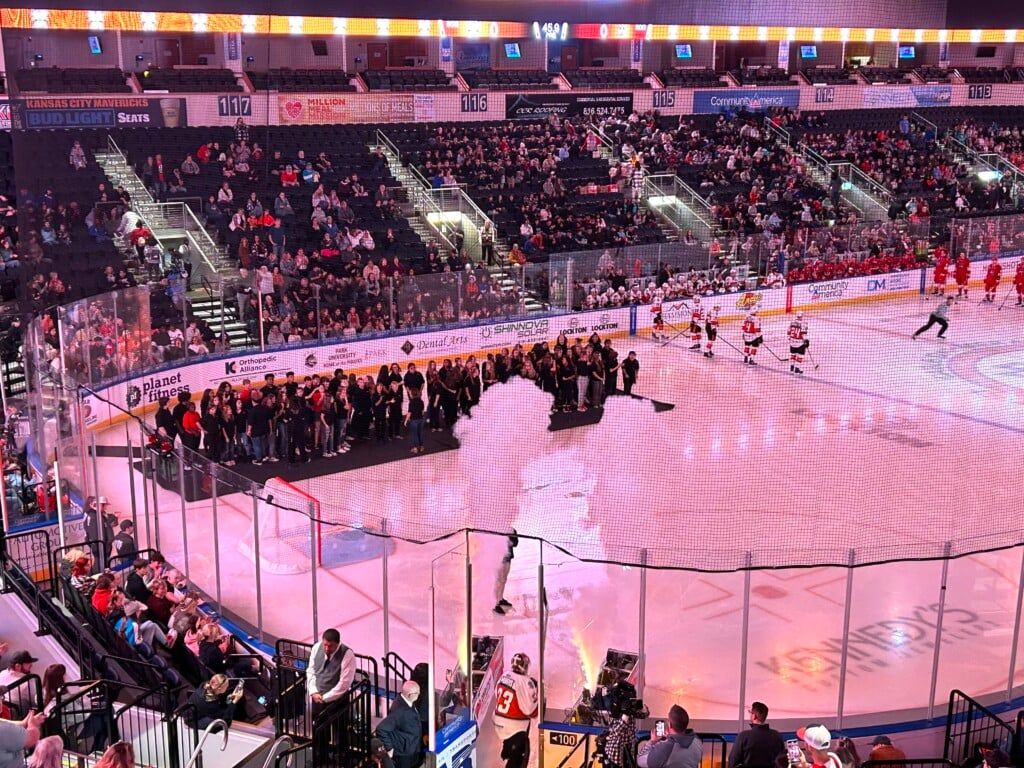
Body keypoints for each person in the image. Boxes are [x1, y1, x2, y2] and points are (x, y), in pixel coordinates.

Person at [493, 652, 538, 768]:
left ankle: (507, 748)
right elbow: (531, 711)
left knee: (512, 738)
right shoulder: (526, 682)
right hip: (514, 727)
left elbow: (497, 695)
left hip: (498, 723)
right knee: (522, 749)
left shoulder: (504, 675)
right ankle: (513, 755)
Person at [306, 628, 356, 718]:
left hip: (337, 701)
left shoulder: (347, 654)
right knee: (318, 729)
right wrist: (313, 691)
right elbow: (311, 671)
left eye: (330, 646)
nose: (326, 648)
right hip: (317, 698)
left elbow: (344, 683)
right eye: (325, 645)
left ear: (338, 643)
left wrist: (324, 698)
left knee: (339, 730)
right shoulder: (317, 647)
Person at [375, 680, 422, 768]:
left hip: (411, 748)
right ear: (409, 694)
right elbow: (381, 729)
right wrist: (389, 748)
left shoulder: (407, 701)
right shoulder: (399, 710)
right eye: (417, 692)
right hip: (404, 753)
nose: (419, 694)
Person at [728, 702, 784, 768]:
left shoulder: (743, 736)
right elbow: (782, 761)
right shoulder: (777, 736)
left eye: (750, 712)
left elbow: (733, 762)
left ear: (754, 716)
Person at [0, 651, 39, 716]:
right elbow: (36, 702)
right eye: (28, 663)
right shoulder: (28, 681)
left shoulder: (2, 673)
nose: (31, 665)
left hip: (4, 712)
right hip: (19, 715)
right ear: (18, 666)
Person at [493, 531, 518, 616]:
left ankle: (500, 598)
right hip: (499, 558)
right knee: (499, 580)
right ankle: (495, 603)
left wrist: (510, 541)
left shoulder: (512, 530)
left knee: (504, 579)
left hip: (508, 557)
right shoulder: (497, 529)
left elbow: (515, 543)